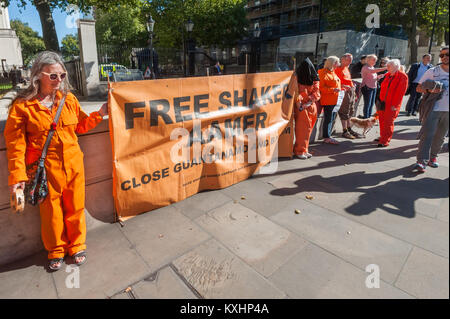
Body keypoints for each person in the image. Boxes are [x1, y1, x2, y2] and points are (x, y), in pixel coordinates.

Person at [4, 51, 108, 271]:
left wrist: (100, 113)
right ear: (37, 76)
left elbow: (80, 126)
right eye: (53, 76)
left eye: (62, 75)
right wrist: (17, 177)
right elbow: (15, 146)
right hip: (45, 170)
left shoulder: (68, 99)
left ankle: (77, 244)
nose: (59, 80)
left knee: (76, 207)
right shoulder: (22, 107)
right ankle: (56, 249)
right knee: (51, 212)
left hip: (73, 165)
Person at [414, 47, 449, 173]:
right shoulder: (433, 71)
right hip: (433, 109)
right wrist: (429, 90)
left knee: (440, 137)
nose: (444, 57)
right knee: (427, 135)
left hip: (448, 112)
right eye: (442, 55)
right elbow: (418, 88)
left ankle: (433, 158)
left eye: (447, 54)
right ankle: (421, 161)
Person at [376, 59, 408, 147]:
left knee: (388, 122)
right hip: (382, 102)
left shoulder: (402, 76)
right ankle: (382, 136)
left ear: (396, 67)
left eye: (389, 66)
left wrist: (395, 106)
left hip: (392, 104)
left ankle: (385, 140)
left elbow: (400, 93)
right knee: (382, 120)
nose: (387, 67)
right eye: (387, 66)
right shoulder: (388, 74)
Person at [293, 57, 321, 159]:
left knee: (308, 129)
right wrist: (302, 102)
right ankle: (299, 150)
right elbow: (296, 93)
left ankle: (304, 149)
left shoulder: (313, 79)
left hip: (308, 106)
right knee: (302, 130)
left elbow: (317, 93)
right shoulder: (297, 79)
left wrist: (308, 101)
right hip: (302, 107)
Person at [335, 53, 363, 139]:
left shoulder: (346, 68)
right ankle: (344, 131)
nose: (350, 62)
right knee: (344, 111)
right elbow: (335, 82)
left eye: (351, 60)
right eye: (348, 60)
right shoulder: (337, 68)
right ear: (342, 59)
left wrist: (352, 88)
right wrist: (343, 86)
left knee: (351, 110)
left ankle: (349, 128)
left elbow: (348, 79)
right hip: (343, 92)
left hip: (350, 90)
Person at [318, 56, 342, 145]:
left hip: (335, 100)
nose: (338, 64)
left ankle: (327, 136)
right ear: (332, 63)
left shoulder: (332, 72)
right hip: (328, 100)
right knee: (328, 119)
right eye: (337, 62)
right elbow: (321, 88)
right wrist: (333, 90)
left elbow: (335, 84)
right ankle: (327, 137)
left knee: (331, 118)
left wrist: (342, 87)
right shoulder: (323, 72)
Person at [361, 54, 388, 118]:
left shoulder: (372, 67)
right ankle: (366, 118)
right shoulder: (365, 67)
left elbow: (373, 76)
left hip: (373, 87)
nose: (375, 61)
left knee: (371, 104)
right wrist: (386, 68)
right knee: (367, 104)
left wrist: (378, 77)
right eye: (373, 60)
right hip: (367, 87)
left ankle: (369, 117)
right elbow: (373, 71)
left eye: (375, 60)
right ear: (368, 60)